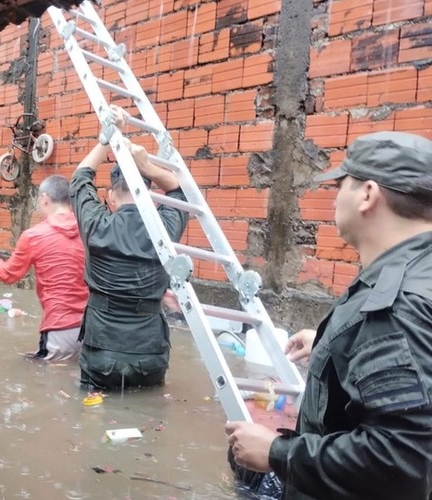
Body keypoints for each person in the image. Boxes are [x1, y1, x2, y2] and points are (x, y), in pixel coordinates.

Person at [225, 131, 432, 500]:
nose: (335, 198)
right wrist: (330, 342)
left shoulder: (396, 305)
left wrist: (277, 453)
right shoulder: (416, 271)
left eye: (341, 185)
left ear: (368, 194)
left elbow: (401, 459)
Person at [69, 106, 188, 390]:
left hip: (102, 353)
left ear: (109, 195)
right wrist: (147, 165)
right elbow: (180, 192)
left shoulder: (97, 226)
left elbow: (79, 178)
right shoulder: (165, 229)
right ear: (148, 191)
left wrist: (107, 136)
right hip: (150, 354)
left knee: (92, 417)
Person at [0, 175, 88, 361]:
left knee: (47, 380)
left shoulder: (34, 236)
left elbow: (7, 274)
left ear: (45, 199)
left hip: (59, 328)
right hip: (94, 329)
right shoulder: (90, 229)